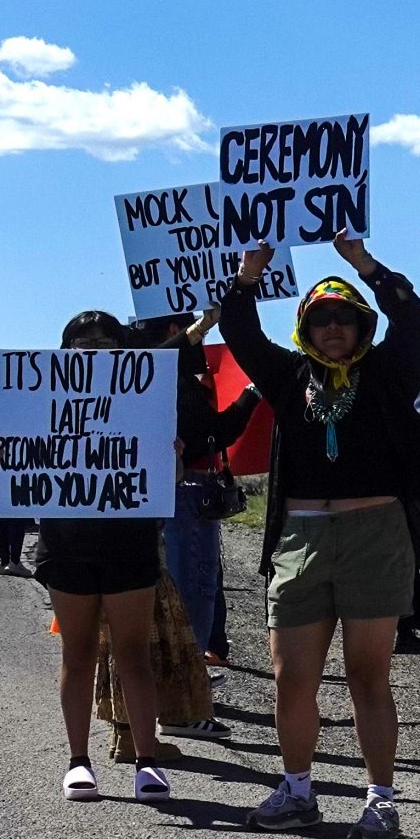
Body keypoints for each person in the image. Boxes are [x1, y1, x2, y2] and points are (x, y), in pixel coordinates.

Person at [219, 233, 420, 839]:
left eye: (346, 316)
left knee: (369, 677)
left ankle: (382, 802)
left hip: (375, 535)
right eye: (321, 318)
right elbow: (240, 332)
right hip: (300, 538)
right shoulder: (287, 378)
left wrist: (362, 264)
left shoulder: (389, 371)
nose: (334, 327)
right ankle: (297, 791)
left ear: (362, 323)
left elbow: (411, 315)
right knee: (292, 678)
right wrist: (248, 273)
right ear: (304, 328)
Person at [27, 310, 170, 805]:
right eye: (81, 340)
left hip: (127, 539)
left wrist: (166, 455)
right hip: (67, 542)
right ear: (64, 349)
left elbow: (163, 476)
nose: (92, 347)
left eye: (104, 339)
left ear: (121, 346)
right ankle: (77, 761)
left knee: (133, 653)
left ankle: (146, 761)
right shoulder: (36, 399)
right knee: (78, 652)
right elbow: (25, 463)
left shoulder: (146, 399)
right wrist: (8, 462)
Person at [141, 307, 261, 741]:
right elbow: (217, 433)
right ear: (176, 331)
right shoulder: (169, 380)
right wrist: (250, 394)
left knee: (195, 584)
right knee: (194, 586)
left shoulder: (157, 382)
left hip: (183, 492)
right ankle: (181, 700)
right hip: (186, 492)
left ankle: (182, 689)